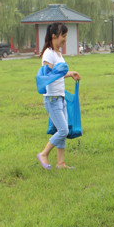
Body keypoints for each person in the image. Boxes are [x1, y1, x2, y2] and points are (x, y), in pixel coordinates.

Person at [36, 23, 80, 170]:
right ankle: (43, 154)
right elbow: (47, 75)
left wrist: (70, 73)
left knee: (62, 129)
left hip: (60, 97)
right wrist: (60, 72)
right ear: (54, 36)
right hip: (52, 99)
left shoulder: (58, 54)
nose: (65, 39)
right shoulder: (48, 53)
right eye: (63, 36)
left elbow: (58, 73)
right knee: (63, 131)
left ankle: (60, 163)